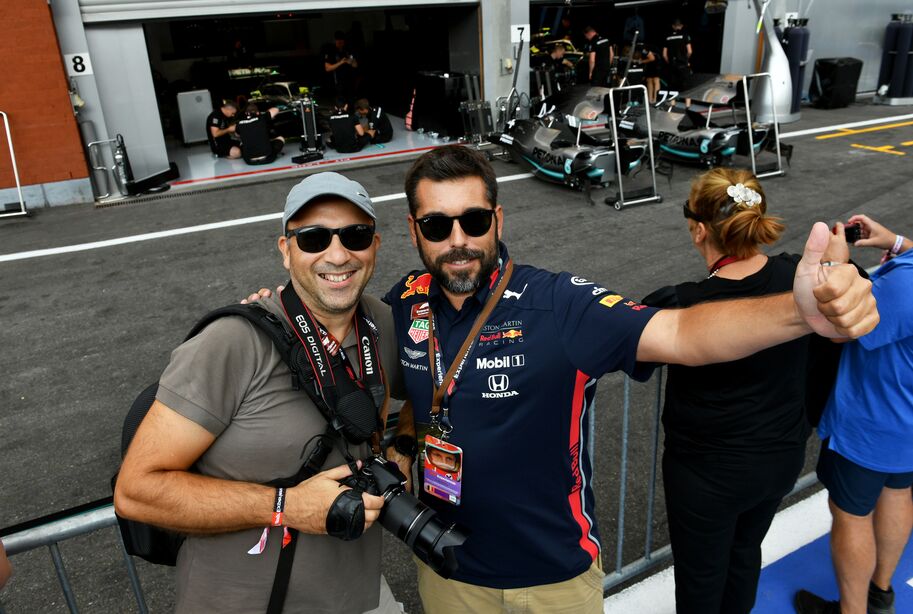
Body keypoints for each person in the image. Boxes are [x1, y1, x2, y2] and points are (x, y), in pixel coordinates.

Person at [381, 145, 877, 614]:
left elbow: (681, 330)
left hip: (553, 582)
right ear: (413, 229)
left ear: (498, 220)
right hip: (447, 572)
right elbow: (417, 389)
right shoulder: (404, 301)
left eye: (473, 220)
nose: (458, 240)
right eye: (436, 225)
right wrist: (405, 439)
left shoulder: (556, 303)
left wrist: (798, 311)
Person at [113, 172, 405, 614]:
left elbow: (434, 388)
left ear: (375, 246)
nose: (338, 253)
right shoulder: (232, 341)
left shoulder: (381, 323)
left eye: (355, 235)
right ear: (286, 251)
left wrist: (404, 442)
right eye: (313, 239)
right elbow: (136, 490)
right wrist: (286, 506)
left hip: (358, 596)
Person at [641, 168, 821, 614]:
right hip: (780, 460)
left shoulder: (682, 303)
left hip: (707, 479)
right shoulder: (800, 278)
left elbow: (631, 346)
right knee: (744, 557)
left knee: (701, 580)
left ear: (700, 230)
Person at [794, 215, 913, 614]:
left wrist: (836, 264)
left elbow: (843, 322)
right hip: (906, 426)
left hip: (871, 422)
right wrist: (897, 243)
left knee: (851, 515)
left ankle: (853, 611)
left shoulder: (906, 285)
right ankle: (881, 593)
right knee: (898, 493)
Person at [324, 31, 359, 106]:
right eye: (338, 42)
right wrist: (341, 62)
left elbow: (355, 65)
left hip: (350, 83)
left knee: (352, 103)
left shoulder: (347, 50)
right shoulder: (331, 51)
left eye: (342, 42)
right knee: (341, 105)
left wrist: (351, 62)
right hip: (337, 84)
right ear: (335, 41)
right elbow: (327, 68)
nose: (340, 44)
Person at [663, 18, 693, 102]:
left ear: (673, 26)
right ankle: (687, 105)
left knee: (672, 85)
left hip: (672, 64)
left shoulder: (668, 37)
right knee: (686, 85)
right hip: (683, 64)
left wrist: (670, 62)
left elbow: (664, 55)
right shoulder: (685, 35)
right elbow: (690, 51)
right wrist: (686, 60)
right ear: (681, 26)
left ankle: (672, 104)